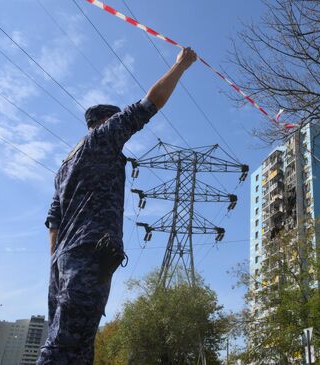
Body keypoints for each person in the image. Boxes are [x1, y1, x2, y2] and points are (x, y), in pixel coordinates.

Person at [37, 47, 198, 365]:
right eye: (113, 121)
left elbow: (53, 221)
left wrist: (58, 260)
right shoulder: (103, 140)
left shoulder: (64, 165)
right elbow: (149, 104)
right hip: (90, 254)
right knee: (66, 346)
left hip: (64, 261)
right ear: (105, 122)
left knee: (76, 344)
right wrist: (181, 65)